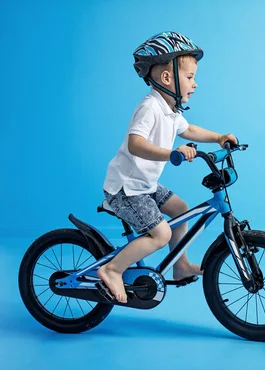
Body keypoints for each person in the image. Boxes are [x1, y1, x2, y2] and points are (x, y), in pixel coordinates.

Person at [98, 31, 237, 303]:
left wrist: (219, 137)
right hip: (126, 188)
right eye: (189, 77)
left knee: (180, 209)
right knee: (160, 234)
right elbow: (135, 144)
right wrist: (170, 153)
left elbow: (191, 130)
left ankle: (180, 265)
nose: (195, 84)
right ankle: (113, 269)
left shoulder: (171, 110)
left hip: (144, 185)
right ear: (166, 78)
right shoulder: (150, 107)